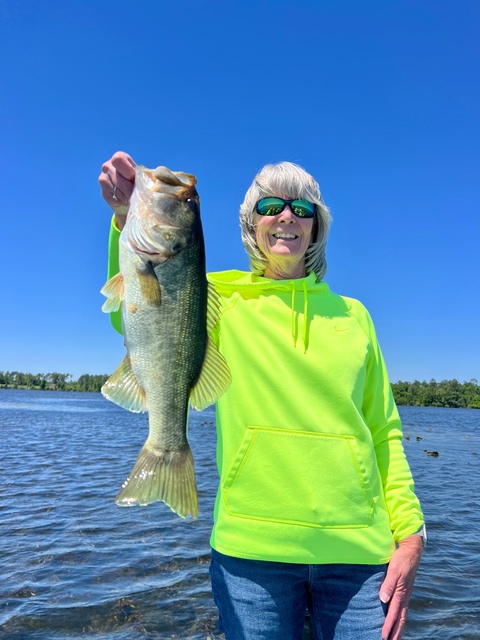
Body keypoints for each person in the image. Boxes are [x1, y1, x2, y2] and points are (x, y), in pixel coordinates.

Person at [99, 152, 426, 640]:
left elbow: (383, 429)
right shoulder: (220, 298)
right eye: (271, 205)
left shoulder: (355, 316)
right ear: (252, 223)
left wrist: (411, 532)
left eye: (303, 208)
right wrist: (124, 216)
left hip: (359, 555)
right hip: (251, 555)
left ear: (317, 227)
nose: (287, 216)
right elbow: (135, 312)